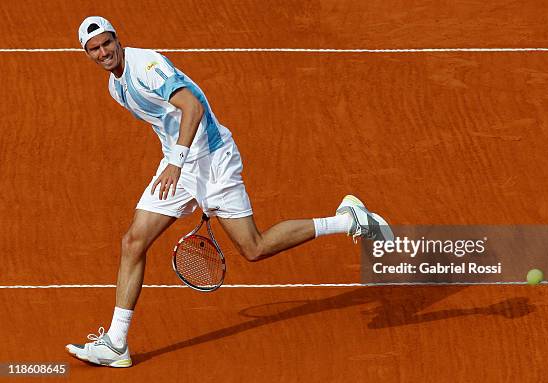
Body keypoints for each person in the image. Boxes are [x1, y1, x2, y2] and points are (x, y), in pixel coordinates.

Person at [66, 16, 393, 368]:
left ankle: (347, 220)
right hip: (182, 166)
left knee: (254, 247)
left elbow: (192, 105)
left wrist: (181, 166)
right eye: (94, 49)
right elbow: (168, 123)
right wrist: (183, 173)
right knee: (133, 241)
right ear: (86, 54)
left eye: (106, 43)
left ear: (117, 39)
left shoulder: (146, 65)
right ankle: (117, 343)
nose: (103, 52)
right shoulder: (116, 88)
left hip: (212, 160)